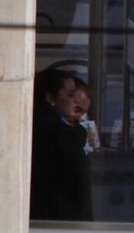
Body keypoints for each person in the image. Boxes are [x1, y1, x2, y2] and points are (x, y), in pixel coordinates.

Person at [30, 67, 92, 221]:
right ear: (51, 98)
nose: (74, 101)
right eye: (70, 95)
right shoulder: (57, 133)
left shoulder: (46, 127)